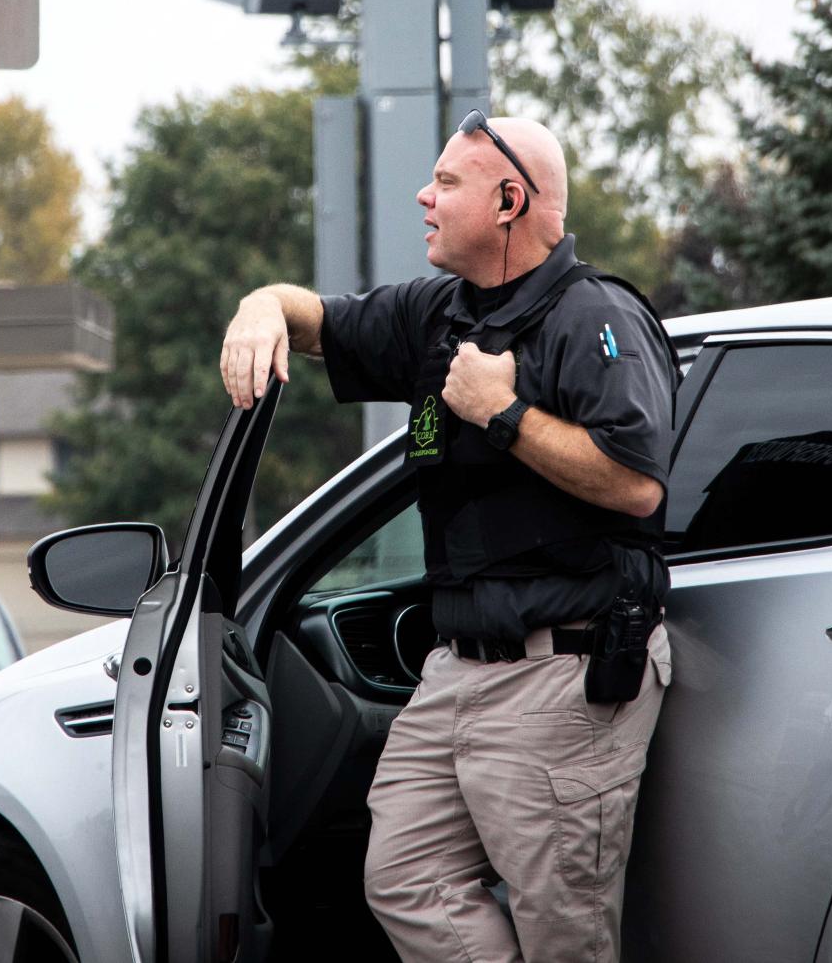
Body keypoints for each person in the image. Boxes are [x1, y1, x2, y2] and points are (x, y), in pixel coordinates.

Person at [219, 111, 677, 961]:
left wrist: (500, 413)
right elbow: (315, 319)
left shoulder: (593, 318)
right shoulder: (437, 313)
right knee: (402, 876)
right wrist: (260, 309)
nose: (423, 197)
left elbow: (636, 483)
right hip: (454, 670)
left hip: (561, 672)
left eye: (447, 184)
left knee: (562, 934)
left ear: (508, 201)